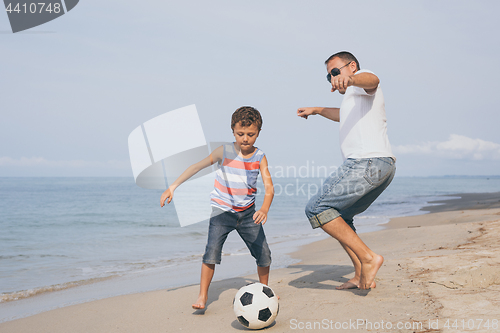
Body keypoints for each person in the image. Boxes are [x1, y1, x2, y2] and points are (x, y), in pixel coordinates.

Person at [297, 51, 396, 290]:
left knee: (317, 207)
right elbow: (341, 116)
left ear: (351, 66)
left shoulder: (362, 80)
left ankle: (369, 258)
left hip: (366, 162)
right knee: (341, 215)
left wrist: (351, 79)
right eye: (328, 76)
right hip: (382, 166)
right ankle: (361, 272)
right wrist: (317, 109)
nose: (332, 79)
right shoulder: (354, 98)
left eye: (335, 72)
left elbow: (373, 80)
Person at [161, 106, 274, 309]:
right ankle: (202, 296)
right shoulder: (225, 151)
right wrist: (173, 186)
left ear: (258, 132)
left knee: (264, 253)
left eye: (251, 134)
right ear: (233, 131)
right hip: (222, 212)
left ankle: (265, 291)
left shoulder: (259, 157)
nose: (245, 139)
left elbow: (269, 188)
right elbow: (196, 167)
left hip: (249, 214)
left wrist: (264, 209)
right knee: (211, 252)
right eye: (240, 134)